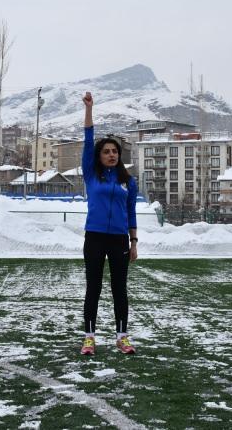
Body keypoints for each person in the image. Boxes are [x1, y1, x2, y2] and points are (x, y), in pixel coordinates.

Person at [79, 91, 139, 356]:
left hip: (119, 240)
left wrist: (133, 242)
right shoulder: (92, 175)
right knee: (94, 286)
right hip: (94, 237)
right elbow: (88, 138)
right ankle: (89, 337)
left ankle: (122, 336)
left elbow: (131, 212)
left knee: (119, 289)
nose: (112, 155)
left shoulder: (128, 181)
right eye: (107, 151)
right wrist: (90, 109)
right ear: (99, 156)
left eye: (115, 151)